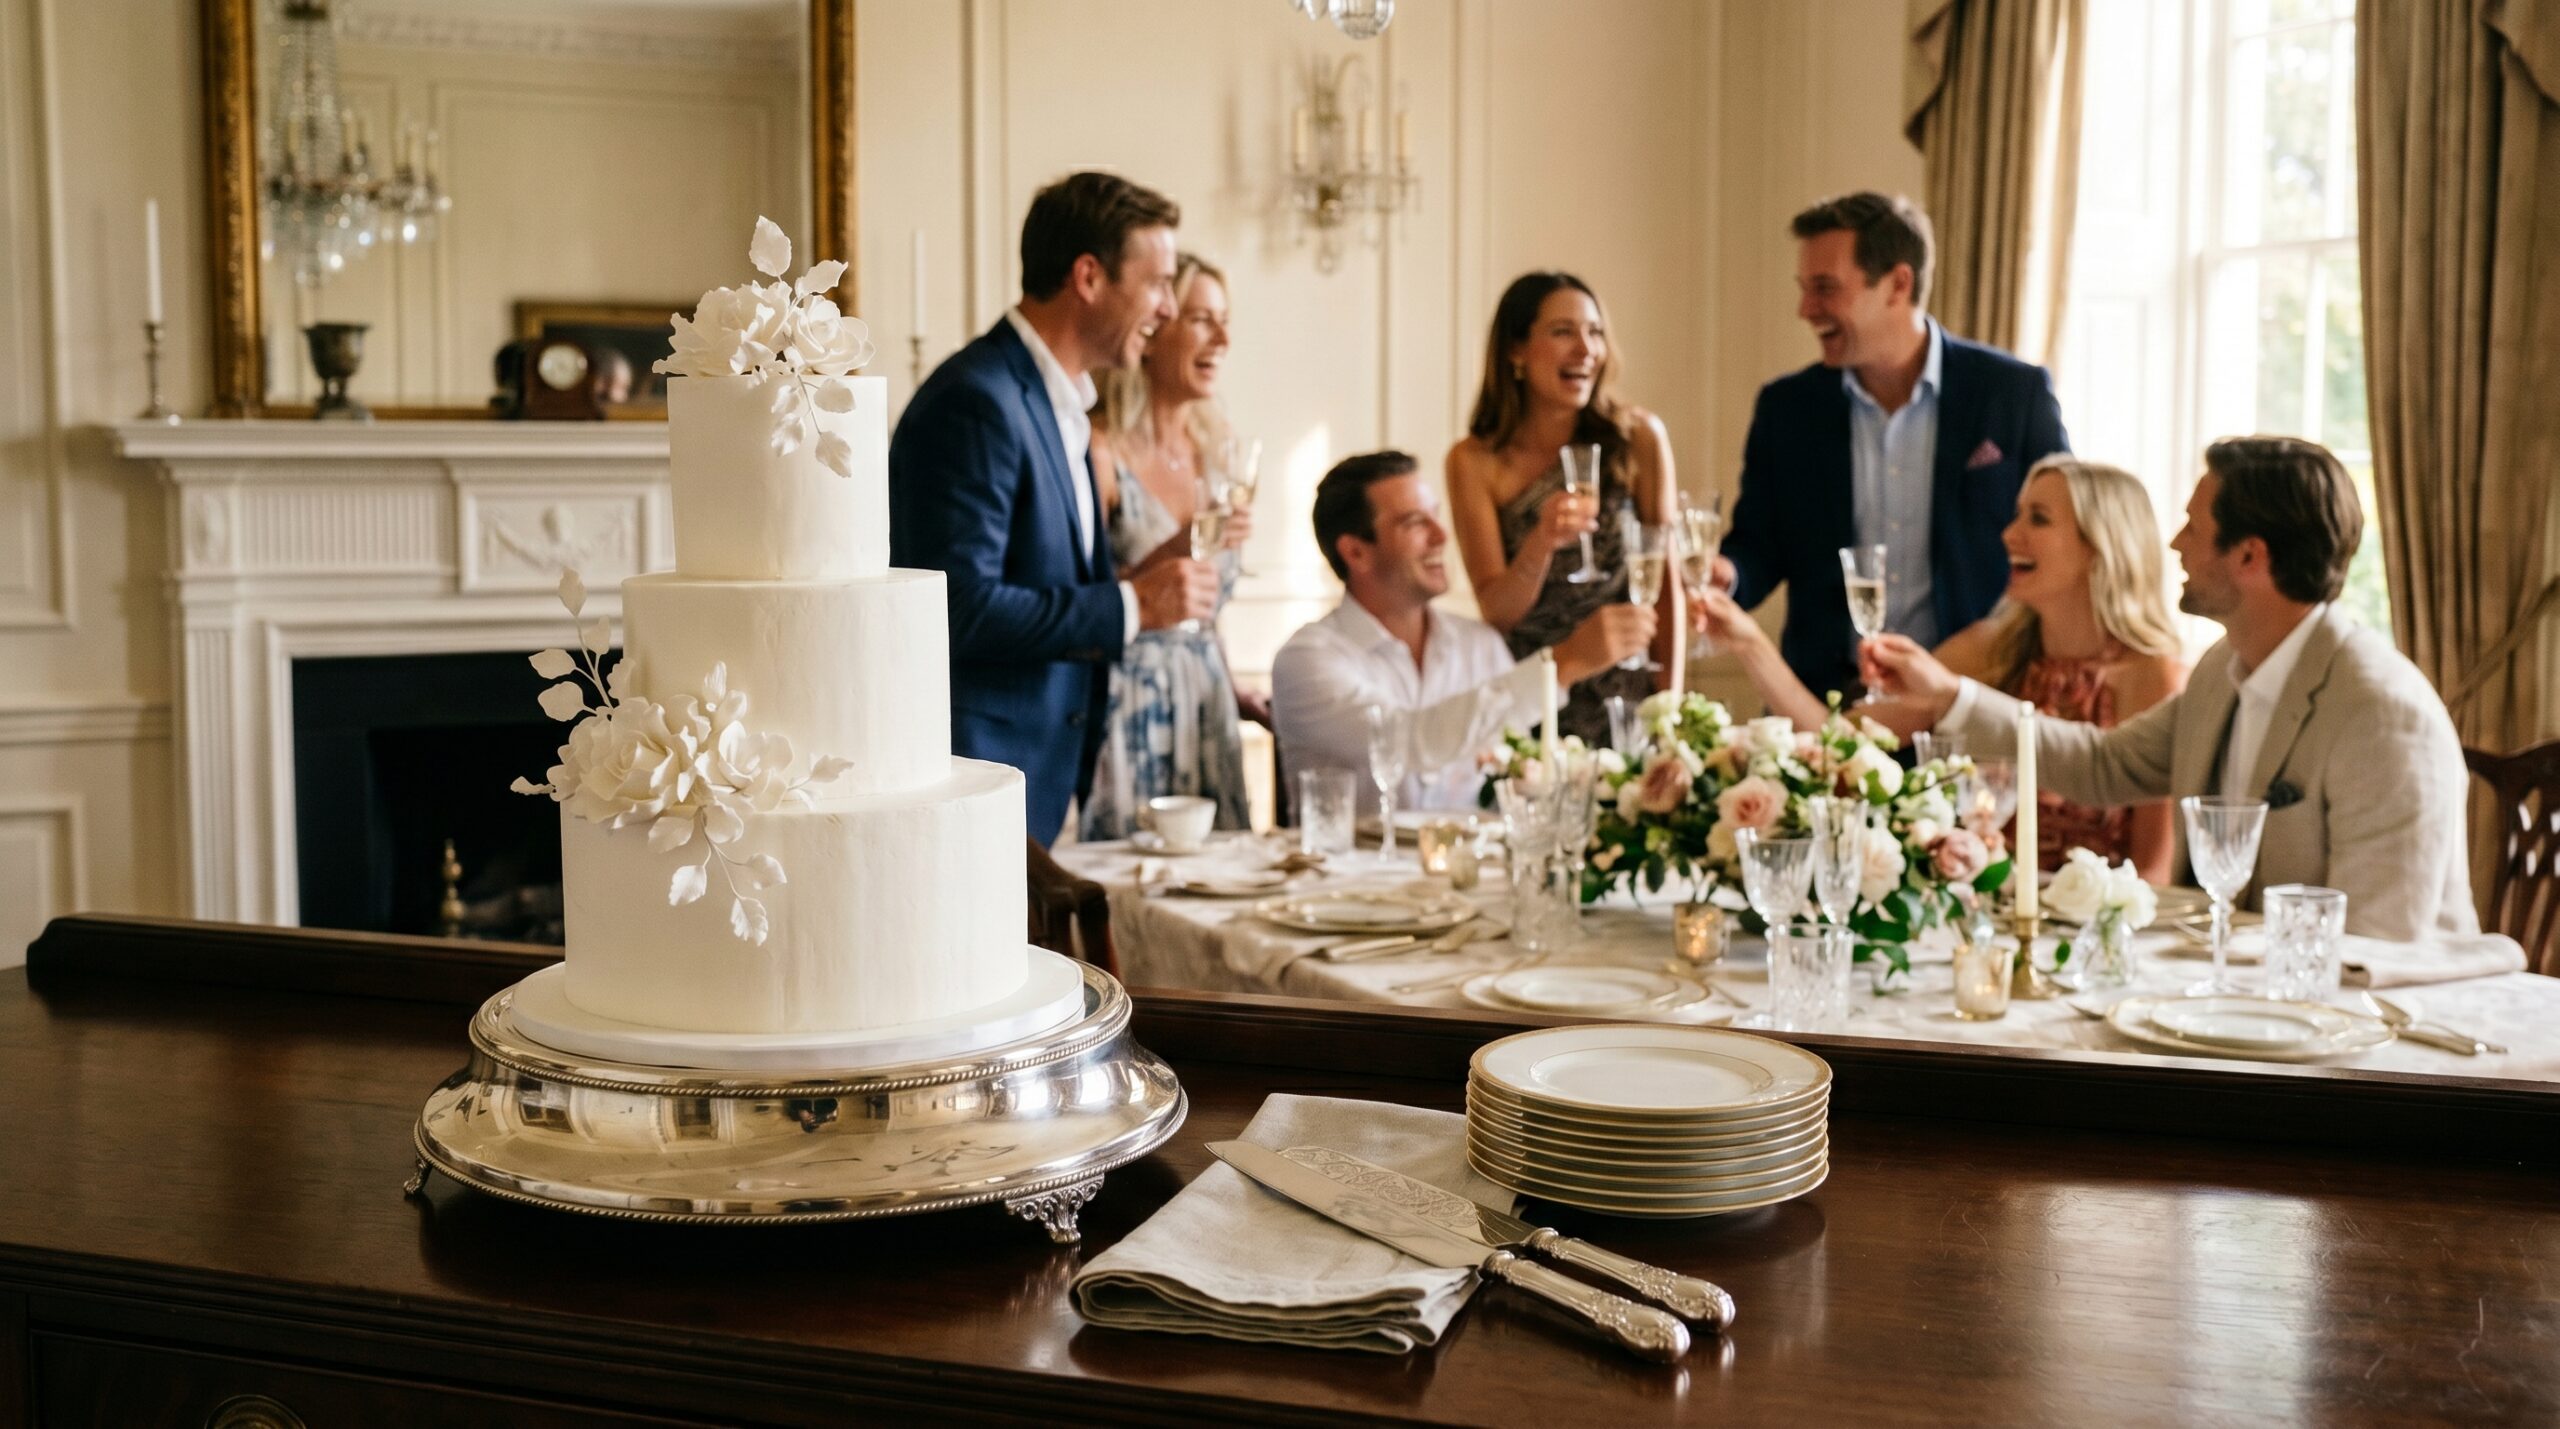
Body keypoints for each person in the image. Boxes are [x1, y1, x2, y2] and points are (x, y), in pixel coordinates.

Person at [1864, 437, 2478, 940]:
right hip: (2239, 996)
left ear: (2249, 556)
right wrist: (1949, 697)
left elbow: (2379, 943)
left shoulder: (2383, 713)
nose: (2175, 543)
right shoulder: (2223, 670)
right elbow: (2101, 764)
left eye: (2193, 526)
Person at [889, 172, 1221, 845]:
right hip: (975, 785)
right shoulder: (978, 401)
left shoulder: (1060, 405)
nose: (1166, 309)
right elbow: (958, 606)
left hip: (1044, 783)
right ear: (1089, 277)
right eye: (1157, 283)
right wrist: (1133, 606)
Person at [1701, 457, 2187, 881]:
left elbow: (2154, 870)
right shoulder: (1988, 650)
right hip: (1973, 918)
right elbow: (1842, 743)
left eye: (2037, 519)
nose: (2009, 534)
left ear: (2099, 547)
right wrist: (1750, 645)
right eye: (2018, 515)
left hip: (2088, 946)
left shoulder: (2154, 674)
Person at [1715, 192, 2070, 701]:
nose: (1805, 309)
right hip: (1830, 703)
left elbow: (2066, 532)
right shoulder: (1787, 408)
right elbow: (1758, 544)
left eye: (1825, 289)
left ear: (1897, 285)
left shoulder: (2013, 394)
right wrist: (1727, 574)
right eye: (1805, 289)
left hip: (1972, 698)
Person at [1272, 451, 1653, 815]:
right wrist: (1563, 664)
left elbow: (1521, 777)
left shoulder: (1479, 646)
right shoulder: (1307, 660)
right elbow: (1407, 742)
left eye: (1435, 517)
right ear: (1356, 552)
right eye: (1415, 523)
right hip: (1352, 879)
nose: (1441, 536)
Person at [1444, 272, 1683, 748]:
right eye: (1562, 332)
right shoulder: (1474, 462)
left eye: (1594, 332)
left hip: (1628, 703)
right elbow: (1498, 614)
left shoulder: (1638, 438)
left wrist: (1670, 713)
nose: (1586, 349)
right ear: (1515, 349)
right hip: (1537, 704)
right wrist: (1540, 543)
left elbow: (1666, 586)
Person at [1078, 252, 1257, 841]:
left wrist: (1232, 688)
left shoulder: (1220, 453)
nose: (1223, 338)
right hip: (1129, 697)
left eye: (1224, 320)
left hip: (1208, 700)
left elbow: (1208, 608)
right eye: (1203, 319)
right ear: (1155, 332)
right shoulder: (1099, 449)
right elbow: (1083, 597)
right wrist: (1177, 547)